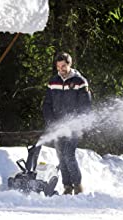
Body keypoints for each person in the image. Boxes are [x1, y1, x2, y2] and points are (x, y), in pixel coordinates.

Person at [42, 52, 91, 195]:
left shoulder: (80, 81)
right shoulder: (53, 82)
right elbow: (47, 104)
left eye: (63, 66)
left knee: (69, 154)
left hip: (74, 126)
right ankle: (67, 186)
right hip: (58, 126)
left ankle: (77, 185)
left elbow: (86, 106)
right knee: (61, 155)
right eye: (58, 66)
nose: (60, 69)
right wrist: (51, 122)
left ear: (70, 64)